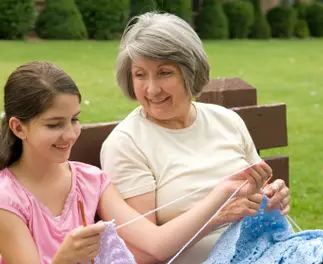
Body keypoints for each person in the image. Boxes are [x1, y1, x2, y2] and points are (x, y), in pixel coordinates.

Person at [0, 61, 270, 264]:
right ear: (18, 127)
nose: (70, 134)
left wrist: (221, 198)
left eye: (75, 120)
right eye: (54, 125)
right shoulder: (5, 198)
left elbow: (155, 243)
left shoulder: (89, 180)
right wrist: (64, 259)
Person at [100, 12, 291, 264]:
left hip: (265, 252)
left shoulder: (226, 120)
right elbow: (142, 255)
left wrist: (274, 197)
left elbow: (257, 192)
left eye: (164, 73)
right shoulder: (127, 144)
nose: (152, 89)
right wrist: (217, 216)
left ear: (190, 72)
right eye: (140, 75)